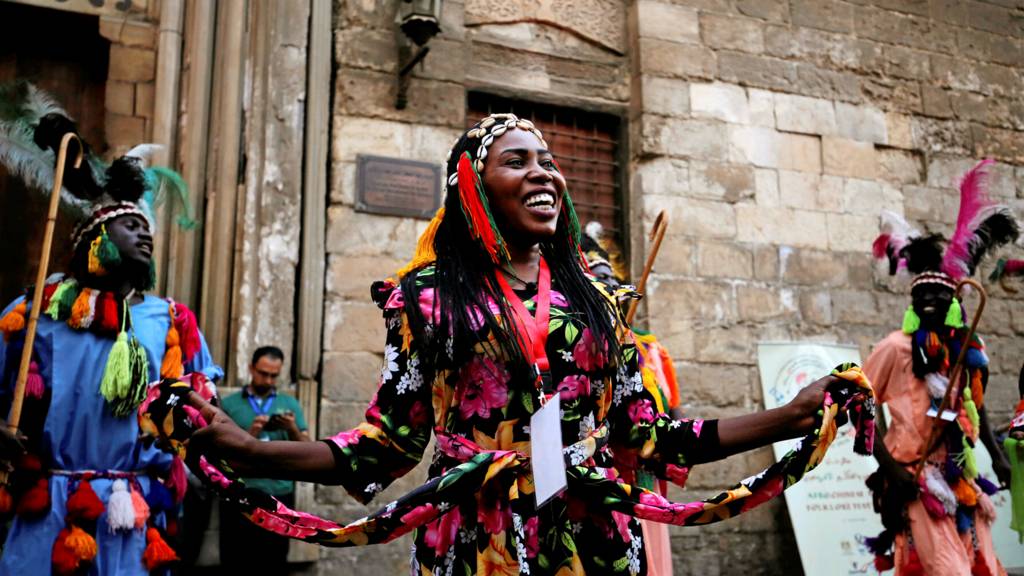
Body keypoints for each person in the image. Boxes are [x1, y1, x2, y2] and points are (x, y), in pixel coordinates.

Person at [181, 113, 868, 575]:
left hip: (591, 531)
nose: (546, 173)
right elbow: (385, 446)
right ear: (474, 186)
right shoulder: (425, 299)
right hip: (473, 540)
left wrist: (789, 416)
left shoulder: (595, 299)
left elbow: (649, 436)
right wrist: (247, 449)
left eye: (549, 161)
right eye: (519, 162)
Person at [0, 85, 222, 575]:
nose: (145, 232)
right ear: (97, 237)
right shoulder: (35, 313)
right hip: (50, 506)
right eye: (129, 225)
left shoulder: (172, 321)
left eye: (147, 227)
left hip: (137, 512)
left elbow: (202, 413)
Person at [864, 162, 1018, 576]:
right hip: (912, 480)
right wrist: (891, 469)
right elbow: (857, 407)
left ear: (956, 302)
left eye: (938, 293)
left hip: (959, 475)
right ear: (911, 303)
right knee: (949, 571)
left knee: (980, 562)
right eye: (921, 294)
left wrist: (995, 454)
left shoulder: (968, 348)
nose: (929, 299)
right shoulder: (894, 348)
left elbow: (975, 407)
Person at [218, 346, 309, 573]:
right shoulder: (229, 405)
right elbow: (219, 455)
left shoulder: (290, 405)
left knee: (275, 563)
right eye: (263, 373)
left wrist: (292, 429)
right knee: (235, 561)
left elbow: (308, 450)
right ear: (251, 368)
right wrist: (251, 435)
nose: (268, 380)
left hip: (279, 497)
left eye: (274, 375)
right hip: (239, 496)